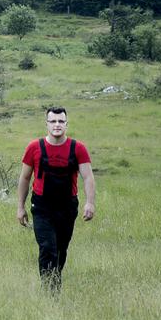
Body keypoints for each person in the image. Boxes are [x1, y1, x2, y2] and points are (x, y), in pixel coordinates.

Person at [16, 106, 96, 292]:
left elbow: (88, 177)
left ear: (67, 124)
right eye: (53, 121)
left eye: (61, 121)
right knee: (47, 247)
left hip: (67, 207)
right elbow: (25, 178)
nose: (57, 125)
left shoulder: (78, 148)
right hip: (42, 207)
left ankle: (55, 278)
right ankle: (50, 291)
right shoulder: (34, 147)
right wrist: (20, 207)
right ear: (47, 124)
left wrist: (90, 203)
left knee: (61, 249)